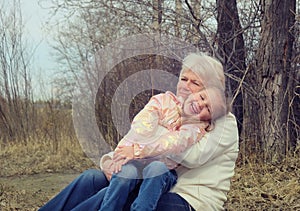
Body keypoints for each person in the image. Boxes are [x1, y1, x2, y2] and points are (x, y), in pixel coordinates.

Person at [39, 52, 239, 211]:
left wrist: (150, 139)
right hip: (150, 181)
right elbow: (138, 134)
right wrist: (114, 159)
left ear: (212, 91)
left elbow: (191, 155)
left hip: (189, 198)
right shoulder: (171, 105)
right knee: (92, 178)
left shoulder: (221, 120)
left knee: (112, 197)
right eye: (183, 78)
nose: (185, 86)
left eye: (195, 83)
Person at [98, 87, 226, 211]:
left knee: (157, 168)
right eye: (202, 97)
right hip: (135, 163)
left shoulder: (195, 128)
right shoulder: (165, 100)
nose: (200, 104)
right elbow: (140, 127)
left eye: (208, 109)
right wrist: (122, 152)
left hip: (162, 172)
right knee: (125, 174)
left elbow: (172, 144)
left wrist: (137, 150)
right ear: (194, 93)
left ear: (209, 119)